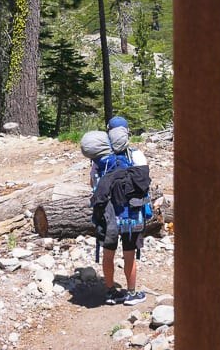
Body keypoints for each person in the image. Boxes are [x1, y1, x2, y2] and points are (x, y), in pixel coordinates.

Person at [89, 116, 149, 306]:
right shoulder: (136, 155)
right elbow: (145, 184)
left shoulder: (99, 160)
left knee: (108, 253)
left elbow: (93, 185)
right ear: (126, 132)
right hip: (131, 215)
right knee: (129, 254)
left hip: (107, 216)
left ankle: (110, 292)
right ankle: (131, 293)